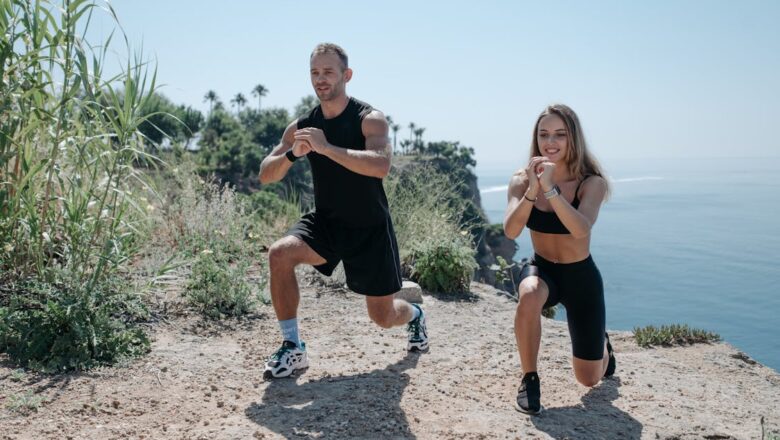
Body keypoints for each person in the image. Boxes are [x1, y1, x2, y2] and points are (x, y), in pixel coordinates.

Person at [257, 43, 428, 380]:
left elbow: (381, 165)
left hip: (370, 228)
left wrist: (326, 148)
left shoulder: (369, 119)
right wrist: (293, 154)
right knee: (279, 254)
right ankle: (293, 348)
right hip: (328, 222)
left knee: (382, 316)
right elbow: (265, 174)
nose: (321, 79)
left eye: (328, 72)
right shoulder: (302, 125)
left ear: (346, 76)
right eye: (315, 73)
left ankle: (416, 315)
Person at [503, 104, 615, 415]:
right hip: (543, 269)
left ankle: (602, 348)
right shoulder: (521, 180)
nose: (550, 142)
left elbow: (580, 230)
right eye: (544, 135)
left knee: (589, 378)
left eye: (559, 135)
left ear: (573, 139)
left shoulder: (591, 183)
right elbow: (511, 232)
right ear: (535, 138)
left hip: (581, 277)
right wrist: (533, 189)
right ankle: (529, 379)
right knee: (528, 294)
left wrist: (551, 190)